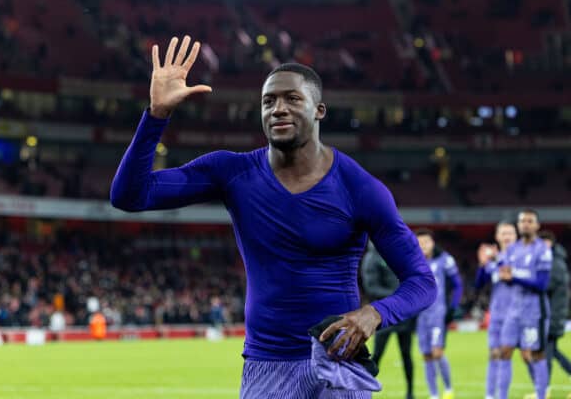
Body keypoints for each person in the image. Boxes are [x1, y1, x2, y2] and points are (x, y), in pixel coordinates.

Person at [110, 35, 437, 398]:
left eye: (292, 99)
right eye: (269, 101)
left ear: (319, 110)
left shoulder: (360, 188)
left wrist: (373, 314)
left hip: (337, 366)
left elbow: (422, 282)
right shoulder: (232, 173)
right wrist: (156, 116)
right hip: (266, 368)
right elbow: (129, 196)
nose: (278, 108)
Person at [497, 209, 552, 399]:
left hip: (535, 310)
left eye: (530, 221)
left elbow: (542, 284)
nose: (526, 224)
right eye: (522, 221)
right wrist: (504, 274)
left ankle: (541, 395)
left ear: (537, 225)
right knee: (504, 351)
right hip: (514, 309)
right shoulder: (513, 249)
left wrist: (514, 276)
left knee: (535, 354)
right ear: (518, 225)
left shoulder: (542, 250)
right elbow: (504, 272)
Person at [360, 242, 415, 399]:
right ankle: (364, 391)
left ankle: (410, 393)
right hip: (383, 314)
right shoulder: (372, 258)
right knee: (377, 355)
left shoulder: (393, 252)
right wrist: (397, 295)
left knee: (406, 354)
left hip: (401, 314)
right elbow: (371, 287)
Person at [414, 229, 462, 399]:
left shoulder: (444, 260)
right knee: (426, 355)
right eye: (419, 243)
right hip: (421, 315)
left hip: (438, 313)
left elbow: (457, 284)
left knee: (437, 353)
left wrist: (453, 307)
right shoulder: (413, 263)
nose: (423, 246)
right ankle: (433, 394)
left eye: (426, 242)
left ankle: (448, 389)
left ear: (432, 243)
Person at [475, 221, 518, 399]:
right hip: (497, 313)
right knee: (494, 355)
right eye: (503, 233)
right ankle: (490, 395)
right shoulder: (494, 260)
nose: (507, 236)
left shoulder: (522, 257)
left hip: (517, 314)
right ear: (497, 237)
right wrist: (482, 264)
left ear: (516, 236)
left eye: (510, 233)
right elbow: (479, 284)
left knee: (518, 355)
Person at [535, 230, 571, 396]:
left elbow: (545, 286)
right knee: (552, 351)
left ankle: (544, 390)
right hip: (552, 314)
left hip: (553, 315)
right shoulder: (555, 261)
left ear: (549, 243)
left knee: (546, 353)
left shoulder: (555, 263)